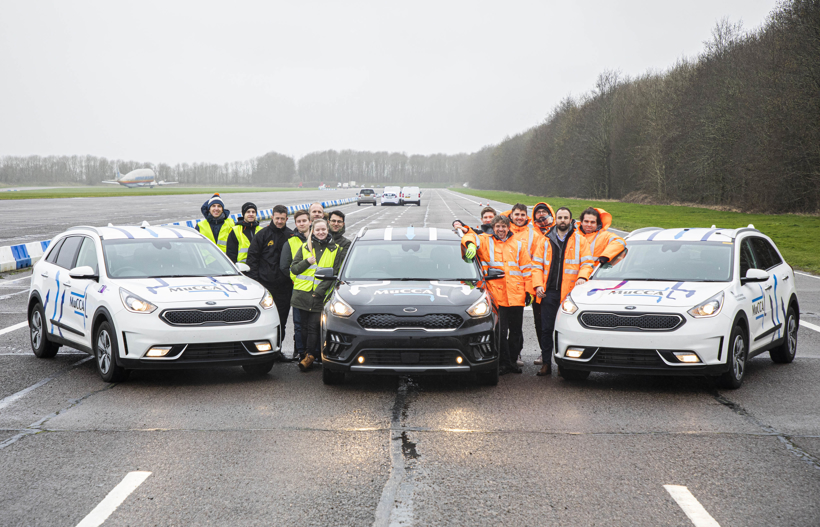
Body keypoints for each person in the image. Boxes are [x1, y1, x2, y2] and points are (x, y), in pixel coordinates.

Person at [462, 214, 532, 375]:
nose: (501, 229)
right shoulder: (486, 241)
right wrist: (471, 245)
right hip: (497, 296)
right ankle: (504, 362)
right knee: (500, 332)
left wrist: (529, 291)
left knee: (516, 332)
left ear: (509, 227)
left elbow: (527, 269)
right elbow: (470, 235)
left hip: (516, 294)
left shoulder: (519, 245)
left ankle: (512, 361)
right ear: (493, 228)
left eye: (504, 226)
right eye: (498, 226)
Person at [531, 207, 594, 376]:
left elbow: (587, 263)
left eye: (566, 217)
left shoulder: (580, 240)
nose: (563, 220)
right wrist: (537, 285)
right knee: (546, 329)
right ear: (555, 219)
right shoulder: (545, 240)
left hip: (569, 293)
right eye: (560, 217)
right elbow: (536, 266)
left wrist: (582, 277)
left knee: (566, 330)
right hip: (549, 292)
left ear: (570, 220)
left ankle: (563, 364)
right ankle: (546, 363)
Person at [291, 218, 342, 372]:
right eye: (317, 230)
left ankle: (310, 357)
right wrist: (307, 261)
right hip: (301, 296)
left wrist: (319, 292)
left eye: (323, 230)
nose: (320, 232)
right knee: (303, 328)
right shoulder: (305, 247)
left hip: (319, 297)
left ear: (328, 230)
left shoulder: (336, 250)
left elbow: (336, 274)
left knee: (314, 327)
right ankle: (303, 355)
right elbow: (294, 269)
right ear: (312, 231)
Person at [247, 205, 294, 361]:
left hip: (285, 287)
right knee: (263, 320)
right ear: (272, 217)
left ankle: (278, 350)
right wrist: (256, 283)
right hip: (265, 286)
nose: (279, 221)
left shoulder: (291, 236)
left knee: (281, 320)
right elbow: (252, 259)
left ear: (287, 219)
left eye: (282, 218)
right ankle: (261, 350)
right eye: (277, 218)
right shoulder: (262, 235)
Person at [526, 202, 556, 366]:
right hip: (537, 286)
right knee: (540, 323)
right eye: (538, 212)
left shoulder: (559, 231)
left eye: (544, 211)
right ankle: (543, 353)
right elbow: (512, 215)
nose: (541, 215)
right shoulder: (531, 233)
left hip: (557, 287)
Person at [280, 209, 312, 360]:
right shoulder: (290, 242)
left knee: (313, 324)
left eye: (304, 220)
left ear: (310, 222)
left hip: (317, 289)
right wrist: (297, 279)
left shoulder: (318, 239)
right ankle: (300, 352)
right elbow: (284, 266)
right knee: (299, 324)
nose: (301, 223)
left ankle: (314, 353)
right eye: (298, 221)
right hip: (298, 288)